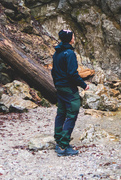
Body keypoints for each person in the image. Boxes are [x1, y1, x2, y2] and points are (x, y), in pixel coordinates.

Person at [52, 29, 89, 157]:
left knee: (61, 113)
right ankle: (63, 145)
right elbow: (72, 74)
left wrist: (57, 84)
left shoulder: (57, 53)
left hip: (60, 87)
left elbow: (53, 71)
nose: (74, 37)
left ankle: (58, 140)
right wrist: (84, 85)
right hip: (69, 88)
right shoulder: (69, 54)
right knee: (72, 114)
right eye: (73, 36)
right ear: (70, 39)